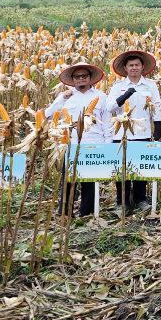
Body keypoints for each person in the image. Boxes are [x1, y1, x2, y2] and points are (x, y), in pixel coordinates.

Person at [46, 62, 112, 218]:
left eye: (84, 76)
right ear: (72, 79)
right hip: (70, 143)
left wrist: (108, 145)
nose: (81, 79)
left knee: (90, 180)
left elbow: (107, 123)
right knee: (68, 179)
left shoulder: (102, 97)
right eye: (77, 76)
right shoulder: (65, 97)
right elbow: (48, 115)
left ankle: (86, 212)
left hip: (94, 144)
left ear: (90, 78)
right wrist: (61, 99)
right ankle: (65, 212)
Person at [109, 49, 161, 214]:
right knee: (122, 169)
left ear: (142, 67)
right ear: (125, 68)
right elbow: (110, 107)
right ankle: (122, 202)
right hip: (121, 132)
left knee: (140, 167)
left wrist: (158, 126)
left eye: (137, 65)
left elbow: (157, 105)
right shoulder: (118, 87)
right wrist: (125, 96)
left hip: (143, 131)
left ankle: (140, 199)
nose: (134, 68)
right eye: (131, 65)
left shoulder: (150, 85)